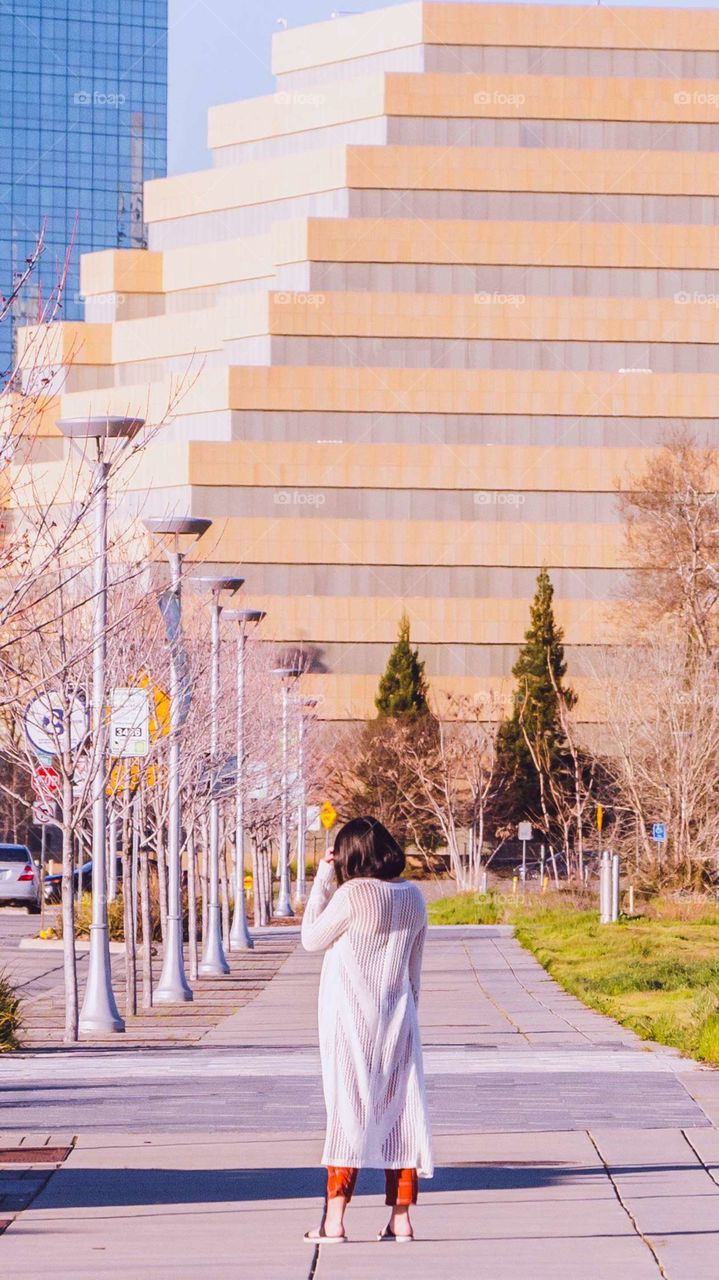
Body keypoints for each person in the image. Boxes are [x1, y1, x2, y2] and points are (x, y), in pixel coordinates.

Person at [301, 815, 433, 1245]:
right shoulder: (414, 897)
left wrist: (322, 877)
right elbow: (415, 973)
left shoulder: (353, 894)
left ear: (350, 855)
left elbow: (312, 939)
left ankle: (334, 1221)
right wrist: (407, 1013)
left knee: (348, 1113)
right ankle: (401, 1220)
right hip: (399, 1019)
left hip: (350, 1022)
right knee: (401, 1117)